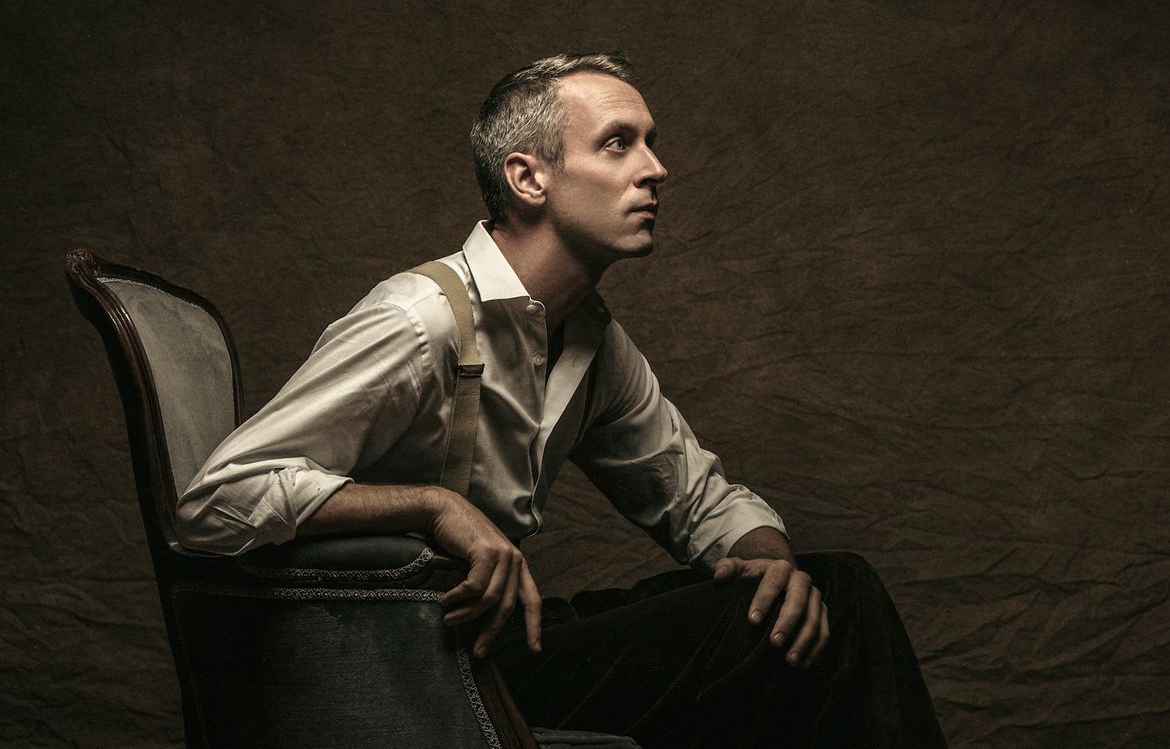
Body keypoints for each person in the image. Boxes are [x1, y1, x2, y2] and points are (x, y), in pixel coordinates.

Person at [178, 53, 946, 748]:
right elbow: (214, 499)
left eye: (650, 143)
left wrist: (771, 562)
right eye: (618, 144)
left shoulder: (590, 341)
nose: (656, 169)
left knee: (819, 593)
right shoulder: (420, 319)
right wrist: (434, 507)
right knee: (829, 614)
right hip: (405, 666)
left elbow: (694, 498)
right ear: (529, 179)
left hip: (501, 644)